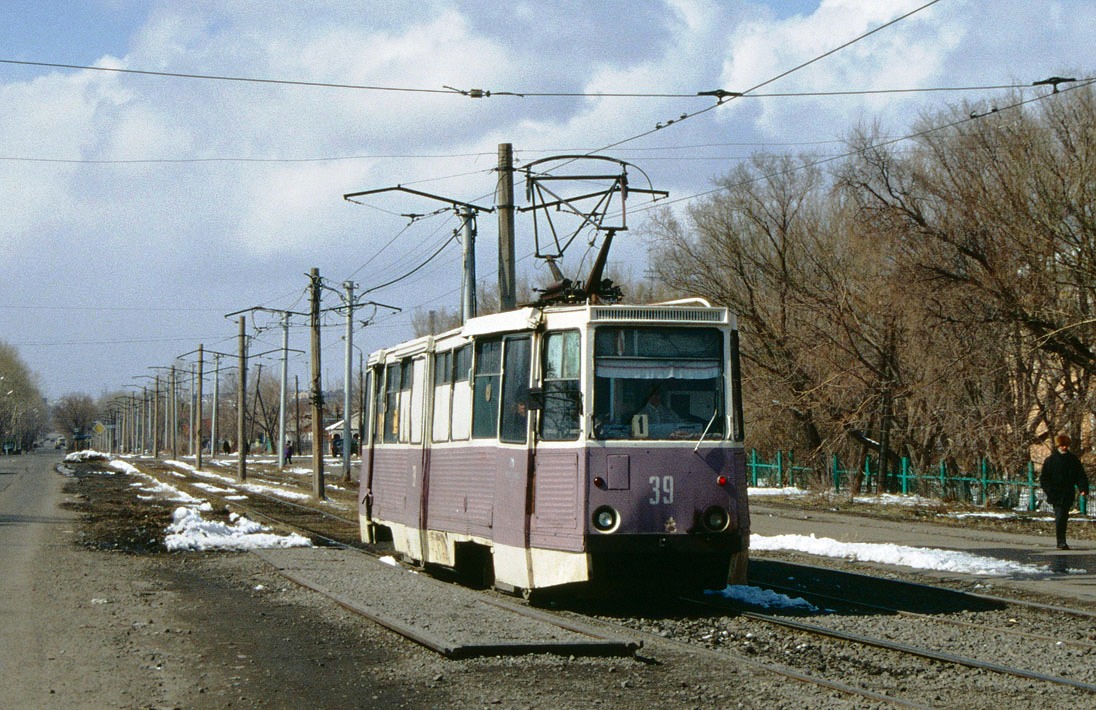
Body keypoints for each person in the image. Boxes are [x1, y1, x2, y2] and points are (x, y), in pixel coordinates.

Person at [1040, 434, 1089, 550]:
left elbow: (1080, 475)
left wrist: (1083, 488)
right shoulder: (1051, 460)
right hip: (1056, 493)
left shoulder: (1073, 460)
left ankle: (1061, 540)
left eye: (1066, 445)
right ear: (1058, 446)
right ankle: (1061, 541)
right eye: (1062, 445)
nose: (1064, 447)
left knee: (1063, 516)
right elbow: (1044, 479)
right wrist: (1050, 492)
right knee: (1060, 516)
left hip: (1068, 492)